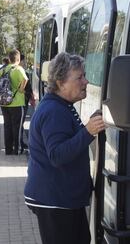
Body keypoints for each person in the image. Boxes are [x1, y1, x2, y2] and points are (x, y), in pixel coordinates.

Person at [24, 52, 106, 244]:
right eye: (80, 77)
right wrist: (88, 132)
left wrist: (89, 126)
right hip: (54, 201)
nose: (86, 81)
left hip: (61, 199)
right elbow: (57, 155)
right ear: (61, 83)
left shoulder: (60, 105)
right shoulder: (54, 111)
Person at [0, 49, 28, 155]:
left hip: (4, 103)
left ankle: (8, 150)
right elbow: (25, 79)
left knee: (7, 126)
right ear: (18, 59)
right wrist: (21, 89)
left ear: (9, 59)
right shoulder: (19, 69)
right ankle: (18, 149)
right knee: (17, 127)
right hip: (17, 103)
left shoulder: (4, 69)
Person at [19, 53, 35, 154]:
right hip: (21, 101)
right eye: (23, 60)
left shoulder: (9, 70)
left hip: (13, 102)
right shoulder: (21, 72)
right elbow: (26, 86)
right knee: (19, 123)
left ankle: (18, 143)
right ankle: (19, 144)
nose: (25, 63)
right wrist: (29, 95)